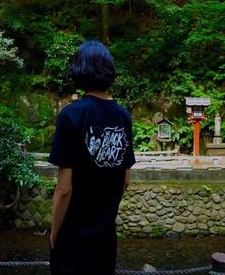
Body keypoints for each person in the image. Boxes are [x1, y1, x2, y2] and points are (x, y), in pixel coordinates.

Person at [48, 40, 135, 274]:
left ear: (79, 70)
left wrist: (54, 233)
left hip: (72, 239)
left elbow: (64, 189)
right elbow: (125, 180)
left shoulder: (71, 115)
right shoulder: (123, 116)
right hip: (105, 238)